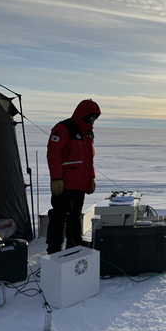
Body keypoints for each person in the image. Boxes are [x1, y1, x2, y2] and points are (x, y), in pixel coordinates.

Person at [46, 99, 101, 254]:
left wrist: (91, 179)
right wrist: (56, 178)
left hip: (80, 185)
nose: (92, 121)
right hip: (64, 184)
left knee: (76, 215)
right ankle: (55, 249)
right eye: (90, 117)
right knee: (59, 216)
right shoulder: (63, 128)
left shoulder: (87, 134)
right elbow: (53, 154)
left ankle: (74, 244)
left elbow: (88, 160)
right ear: (81, 115)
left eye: (94, 118)